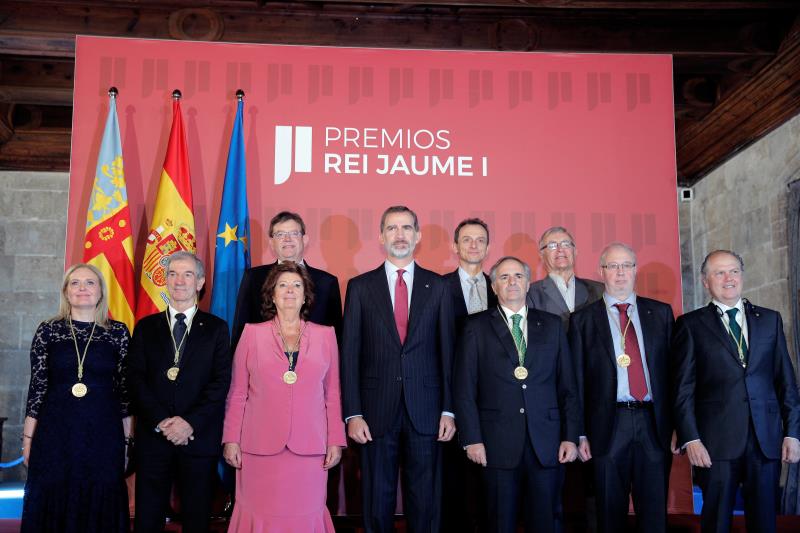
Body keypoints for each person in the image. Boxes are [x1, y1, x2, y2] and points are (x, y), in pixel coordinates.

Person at [341, 205, 456, 532]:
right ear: (381, 237)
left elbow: (448, 353)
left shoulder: (439, 286)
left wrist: (449, 409)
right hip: (375, 412)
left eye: (407, 228)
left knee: (426, 499)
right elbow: (350, 354)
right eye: (392, 228)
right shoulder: (360, 287)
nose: (400, 235)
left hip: (428, 411)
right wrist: (353, 413)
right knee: (377, 499)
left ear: (418, 236)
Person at [672, 249, 800, 533]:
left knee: (764, 522)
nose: (728, 278)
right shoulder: (691, 325)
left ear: (742, 276)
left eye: (733, 271)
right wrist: (690, 438)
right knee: (716, 522)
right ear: (706, 281)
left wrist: (792, 432)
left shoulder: (770, 320)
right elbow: (683, 389)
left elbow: (786, 382)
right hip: (715, 445)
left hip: (765, 441)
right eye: (719, 272)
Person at [454, 256, 580, 532]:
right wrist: (472, 439)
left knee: (547, 520)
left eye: (518, 277)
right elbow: (464, 390)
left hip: (546, 443)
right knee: (499, 521)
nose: (512, 283)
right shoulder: (475, 327)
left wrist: (570, 436)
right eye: (504, 277)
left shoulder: (552, 325)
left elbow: (568, 388)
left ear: (528, 284)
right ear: (494, 286)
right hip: (495, 443)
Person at [222, 261, 345, 531]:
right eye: (283, 285)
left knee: (306, 511)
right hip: (257, 449)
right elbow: (238, 392)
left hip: (310, 449)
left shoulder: (326, 336)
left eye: (297, 285)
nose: (290, 290)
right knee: (258, 510)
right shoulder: (251, 334)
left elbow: (333, 394)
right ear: (272, 295)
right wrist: (231, 439)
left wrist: (336, 440)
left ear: (305, 296)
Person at [568, 242, 675, 533]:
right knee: (608, 512)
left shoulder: (661, 314)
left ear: (635, 270)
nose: (620, 272)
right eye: (613, 266)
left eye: (626, 265)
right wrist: (578, 432)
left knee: (654, 514)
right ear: (601, 271)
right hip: (607, 426)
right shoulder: (582, 320)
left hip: (653, 423)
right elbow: (575, 382)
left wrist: (679, 427)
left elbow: (674, 376)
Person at [20, 263, 132, 533]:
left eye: (90, 283)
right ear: (66, 292)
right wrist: (27, 440)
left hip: (103, 434)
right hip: (55, 433)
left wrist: (128, 441)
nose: (83, 288)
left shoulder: (118, 332)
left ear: (101, 292)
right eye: (75, 283)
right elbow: (37, 387)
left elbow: (125, 394)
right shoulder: (48, 331)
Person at [128, 251, 231, 533]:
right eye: (172, 274)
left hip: (197, 438)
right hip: (154, 437)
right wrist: (162, 421)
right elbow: (135, 379)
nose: (179, 281)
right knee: (148, 518)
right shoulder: (146, 327)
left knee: (197, 518)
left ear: (200, 282)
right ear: (165, 281)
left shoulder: (216, 329)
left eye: (187, 275)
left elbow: (221, 382)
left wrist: (188, 423)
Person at [441, 217, 497, 530]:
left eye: (480, 240)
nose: (473, 245)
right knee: (455, 486)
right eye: (467, 239)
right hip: (450, 398)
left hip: (493, 402)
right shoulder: (437, 288)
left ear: (488, 247)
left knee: (489, 487)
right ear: (455, 246)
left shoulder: (502, 286)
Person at [231, 210, 342, 347]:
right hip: (264, 361)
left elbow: (337, 337)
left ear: (305, 240)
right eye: (280, 234)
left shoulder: (327, 282)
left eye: (294, 233)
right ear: (271, 243)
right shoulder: (253, 278)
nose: (287, 239)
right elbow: (241, 330)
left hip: (315, 364)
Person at [527, 226, 604, 329]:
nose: (560, 250)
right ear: (541, 255)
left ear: (575, 251)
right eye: (552, 245)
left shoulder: (599, 290)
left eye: (566, 244)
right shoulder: (530, 293)